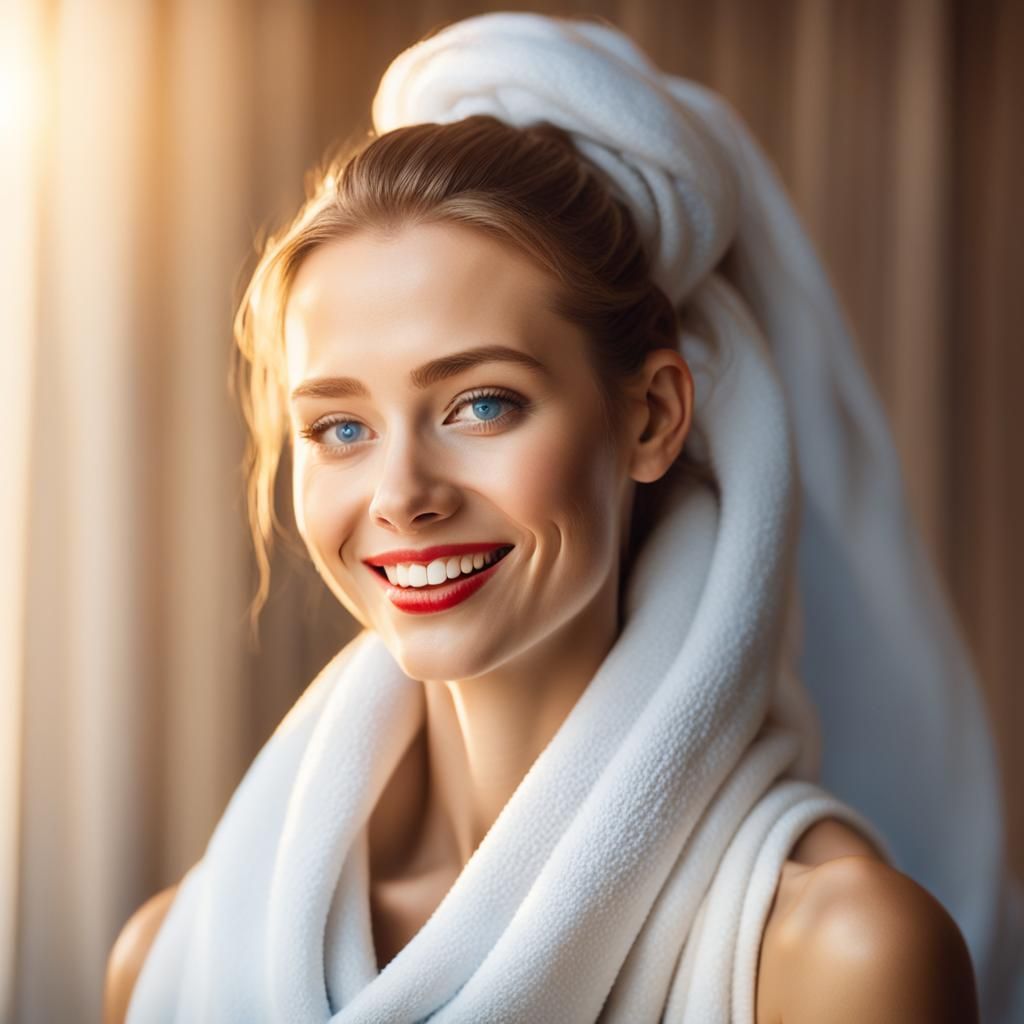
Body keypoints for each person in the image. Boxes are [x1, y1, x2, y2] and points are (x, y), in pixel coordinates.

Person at [106, 12, 1020, 1023]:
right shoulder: (167, 961)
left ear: (652, 416)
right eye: (339, 426)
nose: (403, 493)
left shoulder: (832, 957)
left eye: (481, 404)